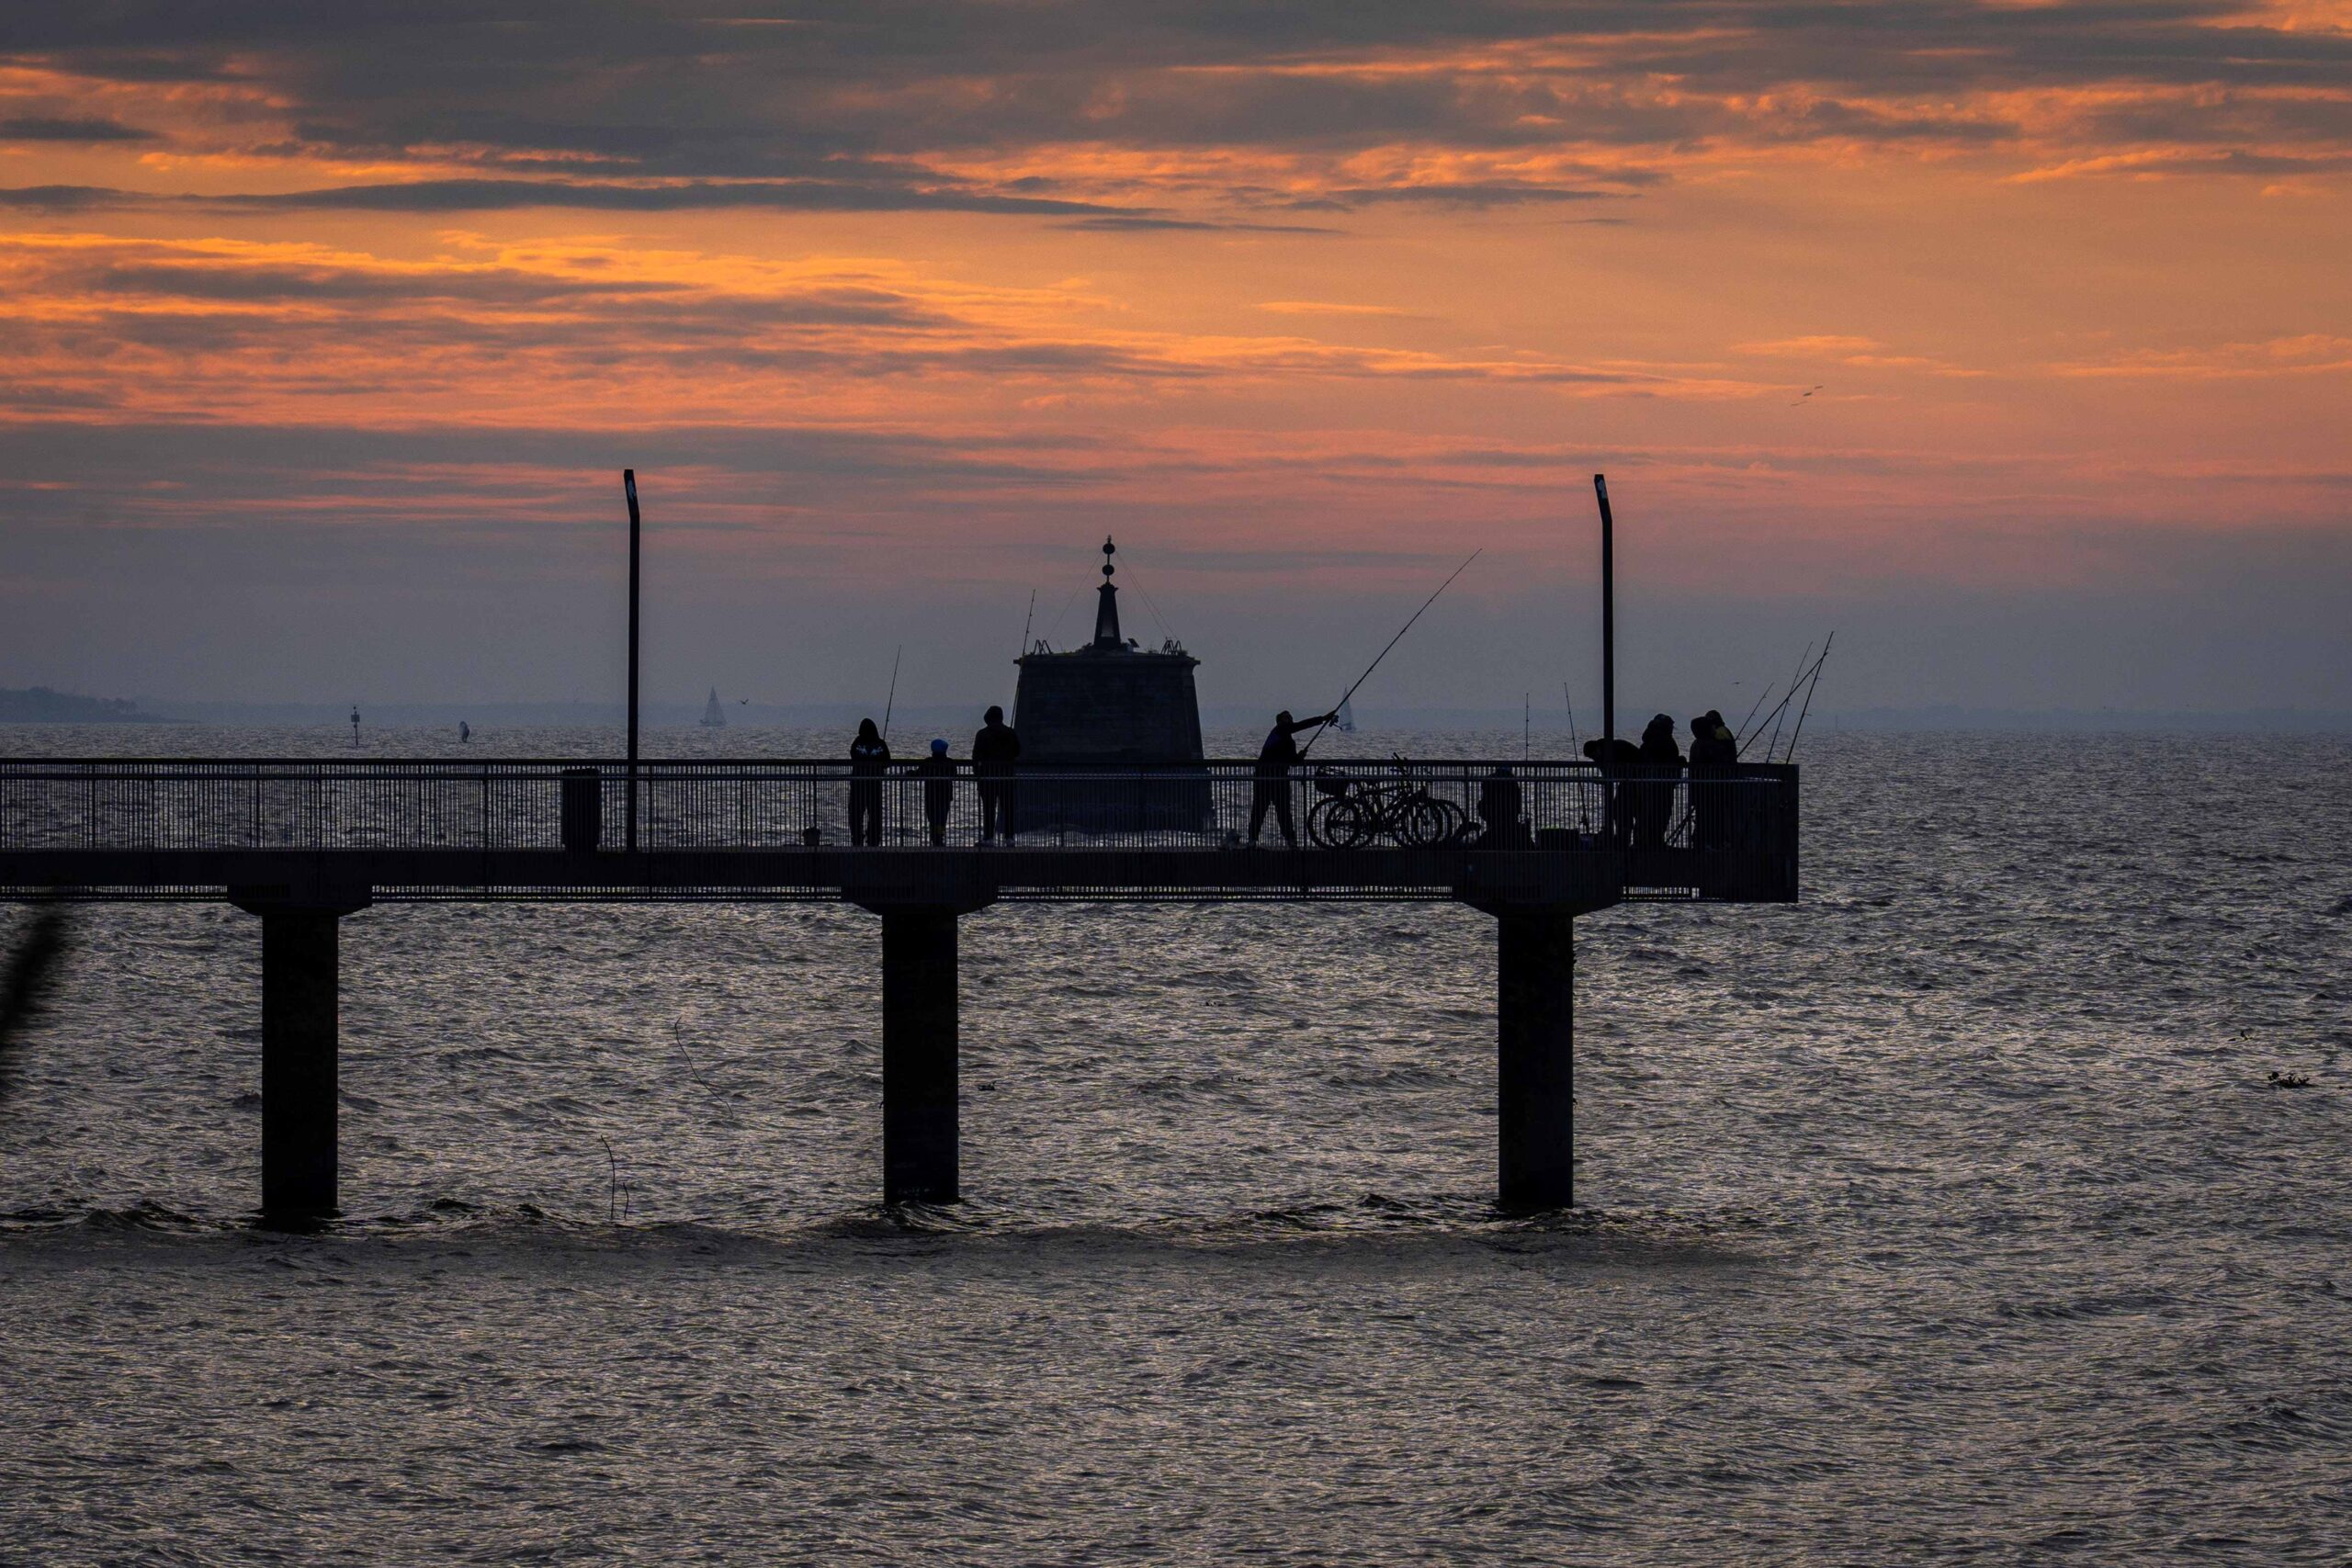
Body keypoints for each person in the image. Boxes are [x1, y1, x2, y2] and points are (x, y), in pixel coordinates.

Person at [1249, 708, 1339, 847]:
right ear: (1279, 722)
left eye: (1290, 718)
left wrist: (1300, 757)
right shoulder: (1279, 731)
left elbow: (1292, 761)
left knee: (1283, 812)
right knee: (1260, 811)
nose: (1289, 720)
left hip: (1279, 779)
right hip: (1265, 779)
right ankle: (1253, 840)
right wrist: (1322, 718)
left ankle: (1290, 840)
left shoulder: (1289, 742)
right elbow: (1300, 726)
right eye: (1286, 718)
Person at [1688, 710, 1737, 850]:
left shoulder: (1696, 744)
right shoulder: (1708, 745)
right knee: (1713, 818)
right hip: (1712, 791)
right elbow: (1724, 759)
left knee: (1703, 818)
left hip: (1700, 790)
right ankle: (1710, 843)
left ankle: (1700, 842)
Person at [1581, 735, 1642, 847]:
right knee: (1620, 807)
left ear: (1596, 749)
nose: (1593, 759)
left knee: (1622, 807)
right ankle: (1626, 837)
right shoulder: (1605, 751)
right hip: (1629, 780)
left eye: (1593, 756)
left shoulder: (1611, 751)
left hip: (1636, 780)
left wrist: (1603, 780)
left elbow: (1611, 776)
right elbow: (1610, 776)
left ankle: (1625, 838)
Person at [972, 705, 1020, 844]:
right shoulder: (1010, 733)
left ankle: (988, 838)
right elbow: (1017, 751)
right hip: (1006, 776)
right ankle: (1010, 838)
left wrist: (978, 775)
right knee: (1008, 809)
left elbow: (976, 756)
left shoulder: (982, 734)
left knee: (989, 809)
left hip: (987, 777)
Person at [1635, 713, 1683, 850]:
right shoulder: (1665, 740)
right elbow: (1667, 759)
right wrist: (1679, 762)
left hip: (1648, 783)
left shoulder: (1648, 741)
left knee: (1646, 813)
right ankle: (1654, 842)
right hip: (1662, 784)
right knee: (1660, 814)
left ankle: (1644, 841)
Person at [847, 718, 889, 846]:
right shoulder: (880, 743)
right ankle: (874, 837)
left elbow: (853, 756)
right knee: (875, 813)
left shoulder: (857, 742)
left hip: (858, 783)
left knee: (855, 813)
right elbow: (887, 761)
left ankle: (857, 837)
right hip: (875, 784)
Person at [916, 739, 957, 846]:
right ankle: (939, 837)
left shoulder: (927, 762)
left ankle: (934, 837)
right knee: (942, 819)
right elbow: (954, 774)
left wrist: (909, 773)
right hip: (945, 796)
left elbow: (919, 773)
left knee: (932, 818)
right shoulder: (950, 763)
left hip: (931, 796)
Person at [1477, 763, 1527, 849]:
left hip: (1490, 812)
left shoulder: (1489, 779)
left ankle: (1492, 837)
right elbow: (1517, 800)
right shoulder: (1513, 781)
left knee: (1493, 826)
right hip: (1510, 812)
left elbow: (1485, 795)